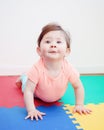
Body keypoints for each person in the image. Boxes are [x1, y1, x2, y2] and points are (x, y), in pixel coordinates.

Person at [16, 23, 91, 121]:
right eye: (48, 41)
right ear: (39, 51)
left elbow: (78, 86)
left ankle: (26, 75)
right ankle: (24, 77)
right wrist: (31, 110)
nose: (53, 45)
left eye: (58, 42)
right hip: (37, 93)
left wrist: (79, 104)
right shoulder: (37, 68)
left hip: (55, 95)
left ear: (67, 51)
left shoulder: (68, 69)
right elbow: (29, 91)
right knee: (25, 86)